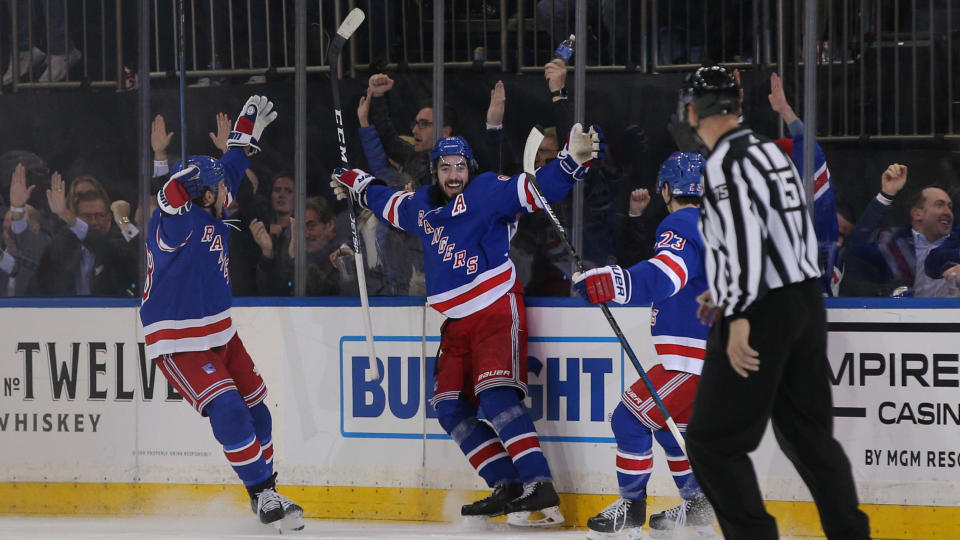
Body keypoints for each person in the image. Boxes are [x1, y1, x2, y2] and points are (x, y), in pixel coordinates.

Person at [331, 126, 604, 527]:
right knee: (449, 408)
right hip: (456, 324)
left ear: (470, 168)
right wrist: (352, 180)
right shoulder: (421, 204)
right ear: (434, 171)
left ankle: (539, 487)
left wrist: (571, 163)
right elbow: (387, 202)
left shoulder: (486, 191)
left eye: (460, 166)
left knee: (496, 398)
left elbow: (535, 191)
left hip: (495, 309)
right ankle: (508, 485)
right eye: (445, 167)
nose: (454, 175)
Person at [675, 65, 870, 540]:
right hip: (804, 302)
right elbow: (787, 231)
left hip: (760, 306)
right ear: (737, 108)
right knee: (809, 438)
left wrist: (738, 310)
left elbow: (745, 235)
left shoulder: (725, 160)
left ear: (693, 111)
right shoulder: (770, 153)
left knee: (710, 441)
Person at [138, 95, 304, 531]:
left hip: (220, 332)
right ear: (205, 194)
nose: (229, 189)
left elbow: (229, 163)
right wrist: (180, 175)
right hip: (179, 340)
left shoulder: (210, 199)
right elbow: (170, 196)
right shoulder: (177, 222)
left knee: (258, 412)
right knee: (229, 409)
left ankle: (268, 491)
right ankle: (262, 493)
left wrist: (245, 128)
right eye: (218, 187)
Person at [573, 152, 715, 539]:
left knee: (629, 417)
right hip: (722, 358)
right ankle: (698, 506)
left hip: (693, 360)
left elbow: (667, 275)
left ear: (667, 188)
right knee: (670, 428)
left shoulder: (683, 222)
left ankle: (631, 510)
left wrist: (611, 283)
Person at [846, 164, 956, 297]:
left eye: (950, 207)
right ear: (917, 214)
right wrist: (886, 194)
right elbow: (859, 245)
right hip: (900, 315)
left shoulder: (955, 245)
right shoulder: (894, 241)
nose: (948, 212)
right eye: (940, 205)